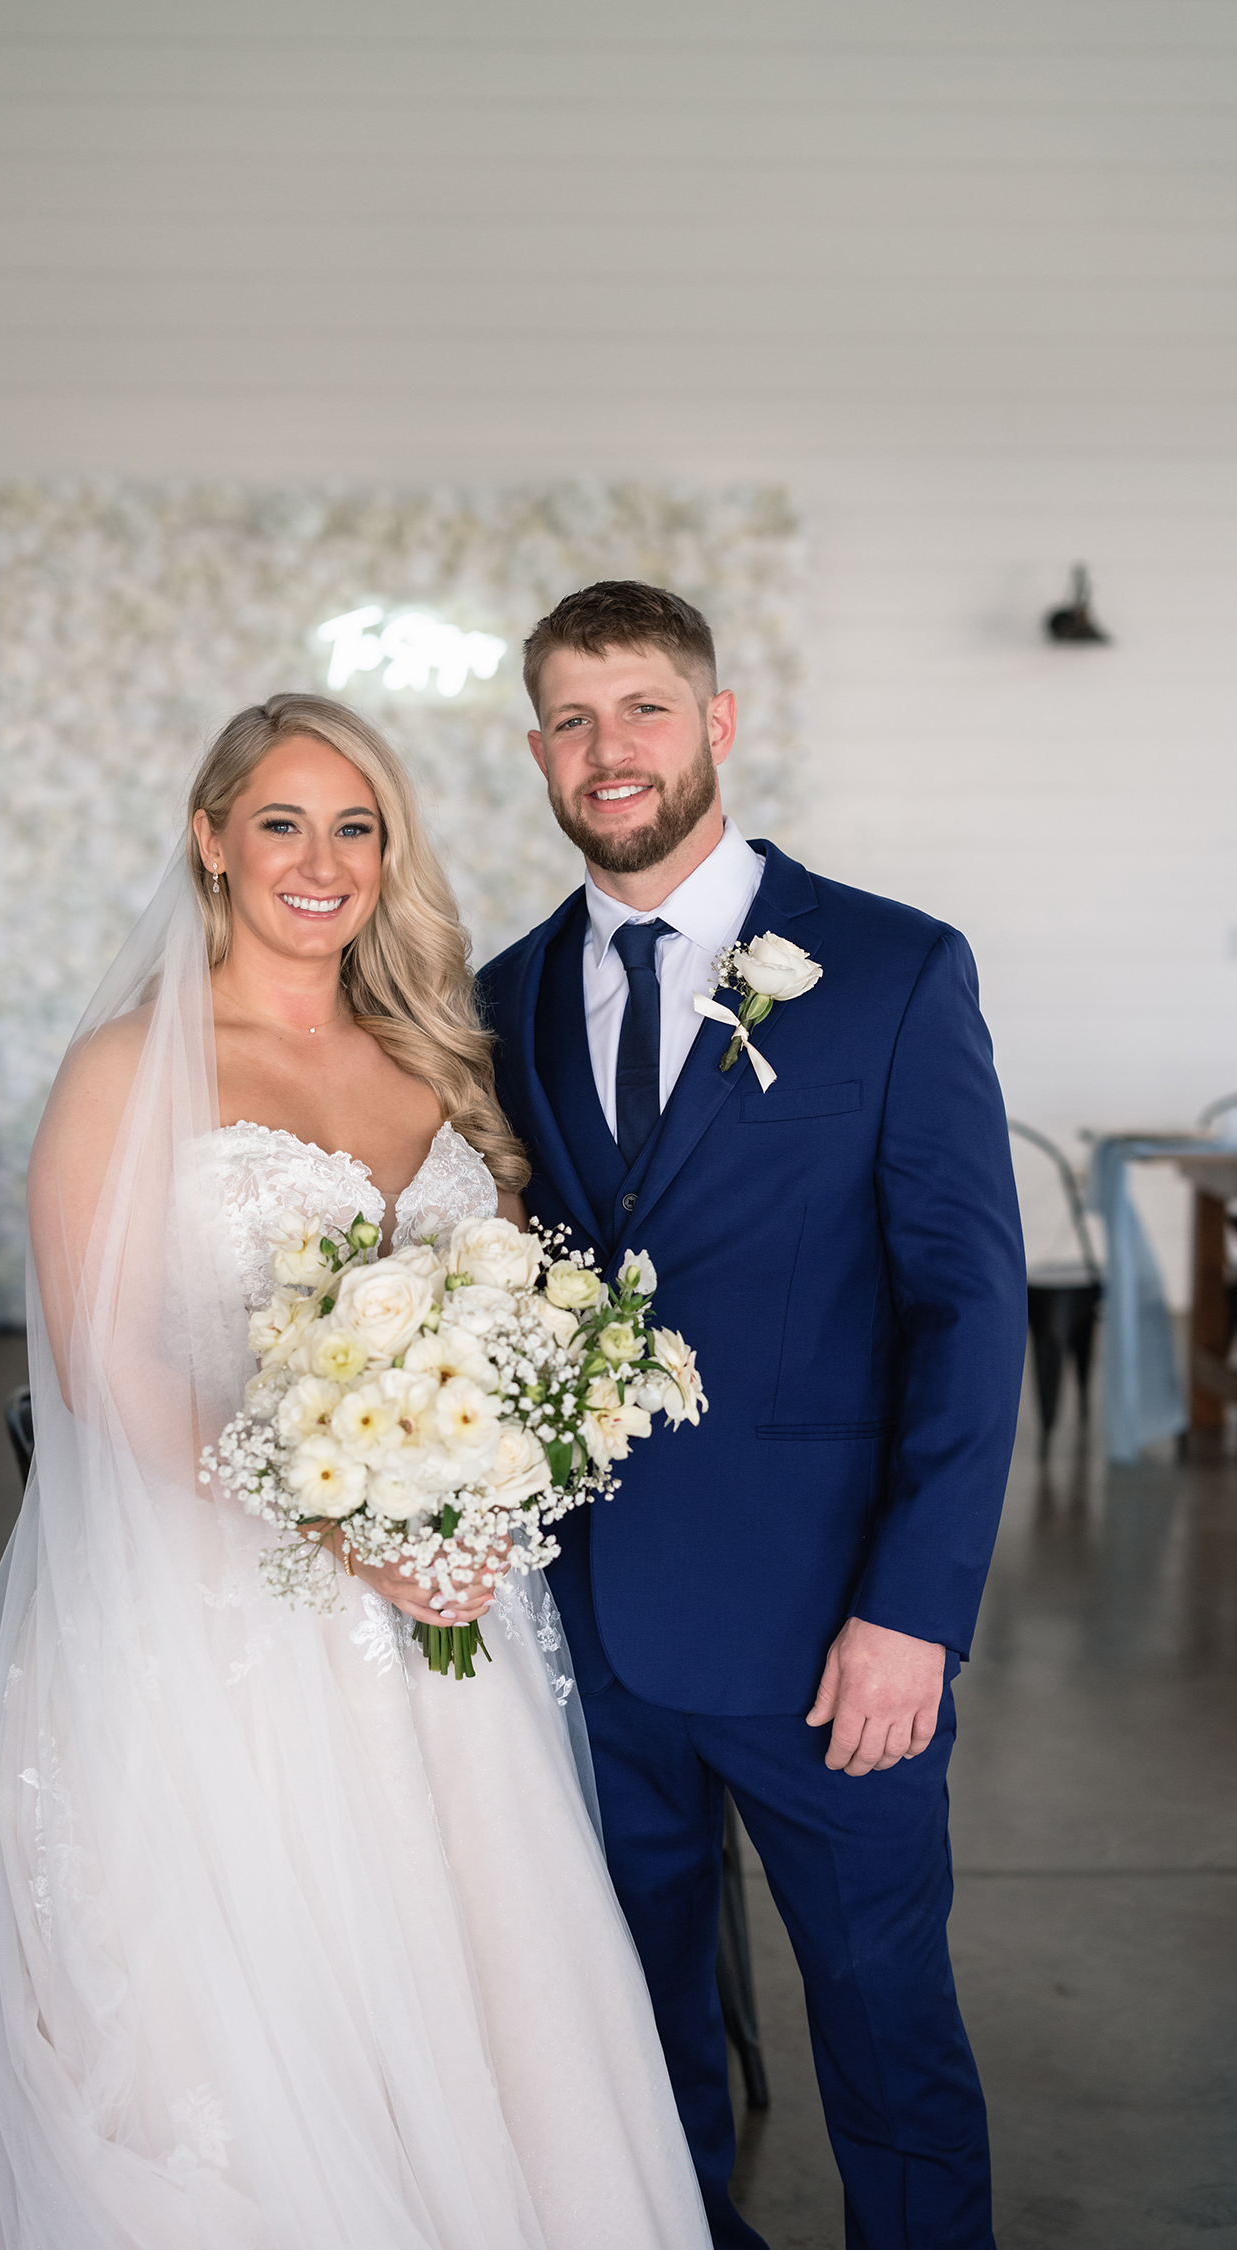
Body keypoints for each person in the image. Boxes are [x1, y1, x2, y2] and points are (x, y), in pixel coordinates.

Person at [0, 695, 710, 2250]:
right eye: (281, 821)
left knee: (474, 1997)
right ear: (211, 839)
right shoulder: (131, 1066)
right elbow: (104, 1362)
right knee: (223, 2024)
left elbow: (513, 1324)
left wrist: (487, 1493)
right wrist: (341, 1523)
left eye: (356, 826)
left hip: (449, 1630)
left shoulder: (439, 1057)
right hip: (211, 1619)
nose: (320, 862)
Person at [477, 582, 1027, 2250]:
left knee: (883, 2025)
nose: (608, 749)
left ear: (717, 723)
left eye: (642, 707)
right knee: (631, 2045)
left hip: (824, 1636)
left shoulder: (890, 969)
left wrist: (912, 1614)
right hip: (582, 1628)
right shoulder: (499, 997)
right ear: (537, 752)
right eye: (572, 718)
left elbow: (968, 1309)